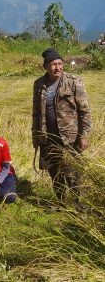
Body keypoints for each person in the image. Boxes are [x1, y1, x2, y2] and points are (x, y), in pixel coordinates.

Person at [32, 48, 91, 201]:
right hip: (48, 137)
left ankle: (80, 206)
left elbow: (84, 110)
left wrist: (84, 135)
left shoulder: (73, 81)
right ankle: (62, 203)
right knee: (54, 172)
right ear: (45, 66)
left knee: (73, 173)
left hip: (70, 137)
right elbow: (36, 113)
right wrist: (36, 136)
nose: (57, 68)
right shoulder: (39, 84)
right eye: (53, 64)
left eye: (59, 64)